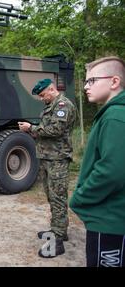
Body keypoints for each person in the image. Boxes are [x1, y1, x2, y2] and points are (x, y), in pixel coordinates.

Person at [70, 56, 125, 267]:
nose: (85, 86)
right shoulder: (111, 114)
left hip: (109, 221)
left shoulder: (115, 117)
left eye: (92, 81)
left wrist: (80, 198)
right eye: (85, 81)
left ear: (114, 82)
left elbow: (112, 171)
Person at [18, 78, 76, 258]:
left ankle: (57, 241)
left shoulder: (63, 106)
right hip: (47, 157)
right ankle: (58, 229)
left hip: (57, 159)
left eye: (43, 95)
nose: (42, 98)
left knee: (58, 198)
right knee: (52, 196)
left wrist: (30, 128)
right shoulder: (52, 104)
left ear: (52, 89)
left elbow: (54, 131)